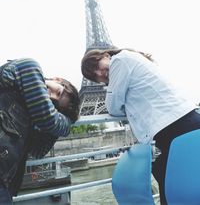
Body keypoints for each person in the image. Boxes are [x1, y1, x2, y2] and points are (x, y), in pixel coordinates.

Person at [81, 48, 200, 205]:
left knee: (171, 180)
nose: (99, 74)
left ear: (106, 55)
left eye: (97, 66)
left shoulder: (120, 60)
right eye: (95, 76)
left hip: (177, 126)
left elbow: (112, 106)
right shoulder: (128, 62)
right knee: (175, 177)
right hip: (180, 123)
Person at [0, 58, 80, 204]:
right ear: (57, 79)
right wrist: (67, 123)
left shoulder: (33, 115)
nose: (51, 97)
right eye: (59, 92)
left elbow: (37, 151)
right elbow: (48, 119)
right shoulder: (29, 66)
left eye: (55, 104)